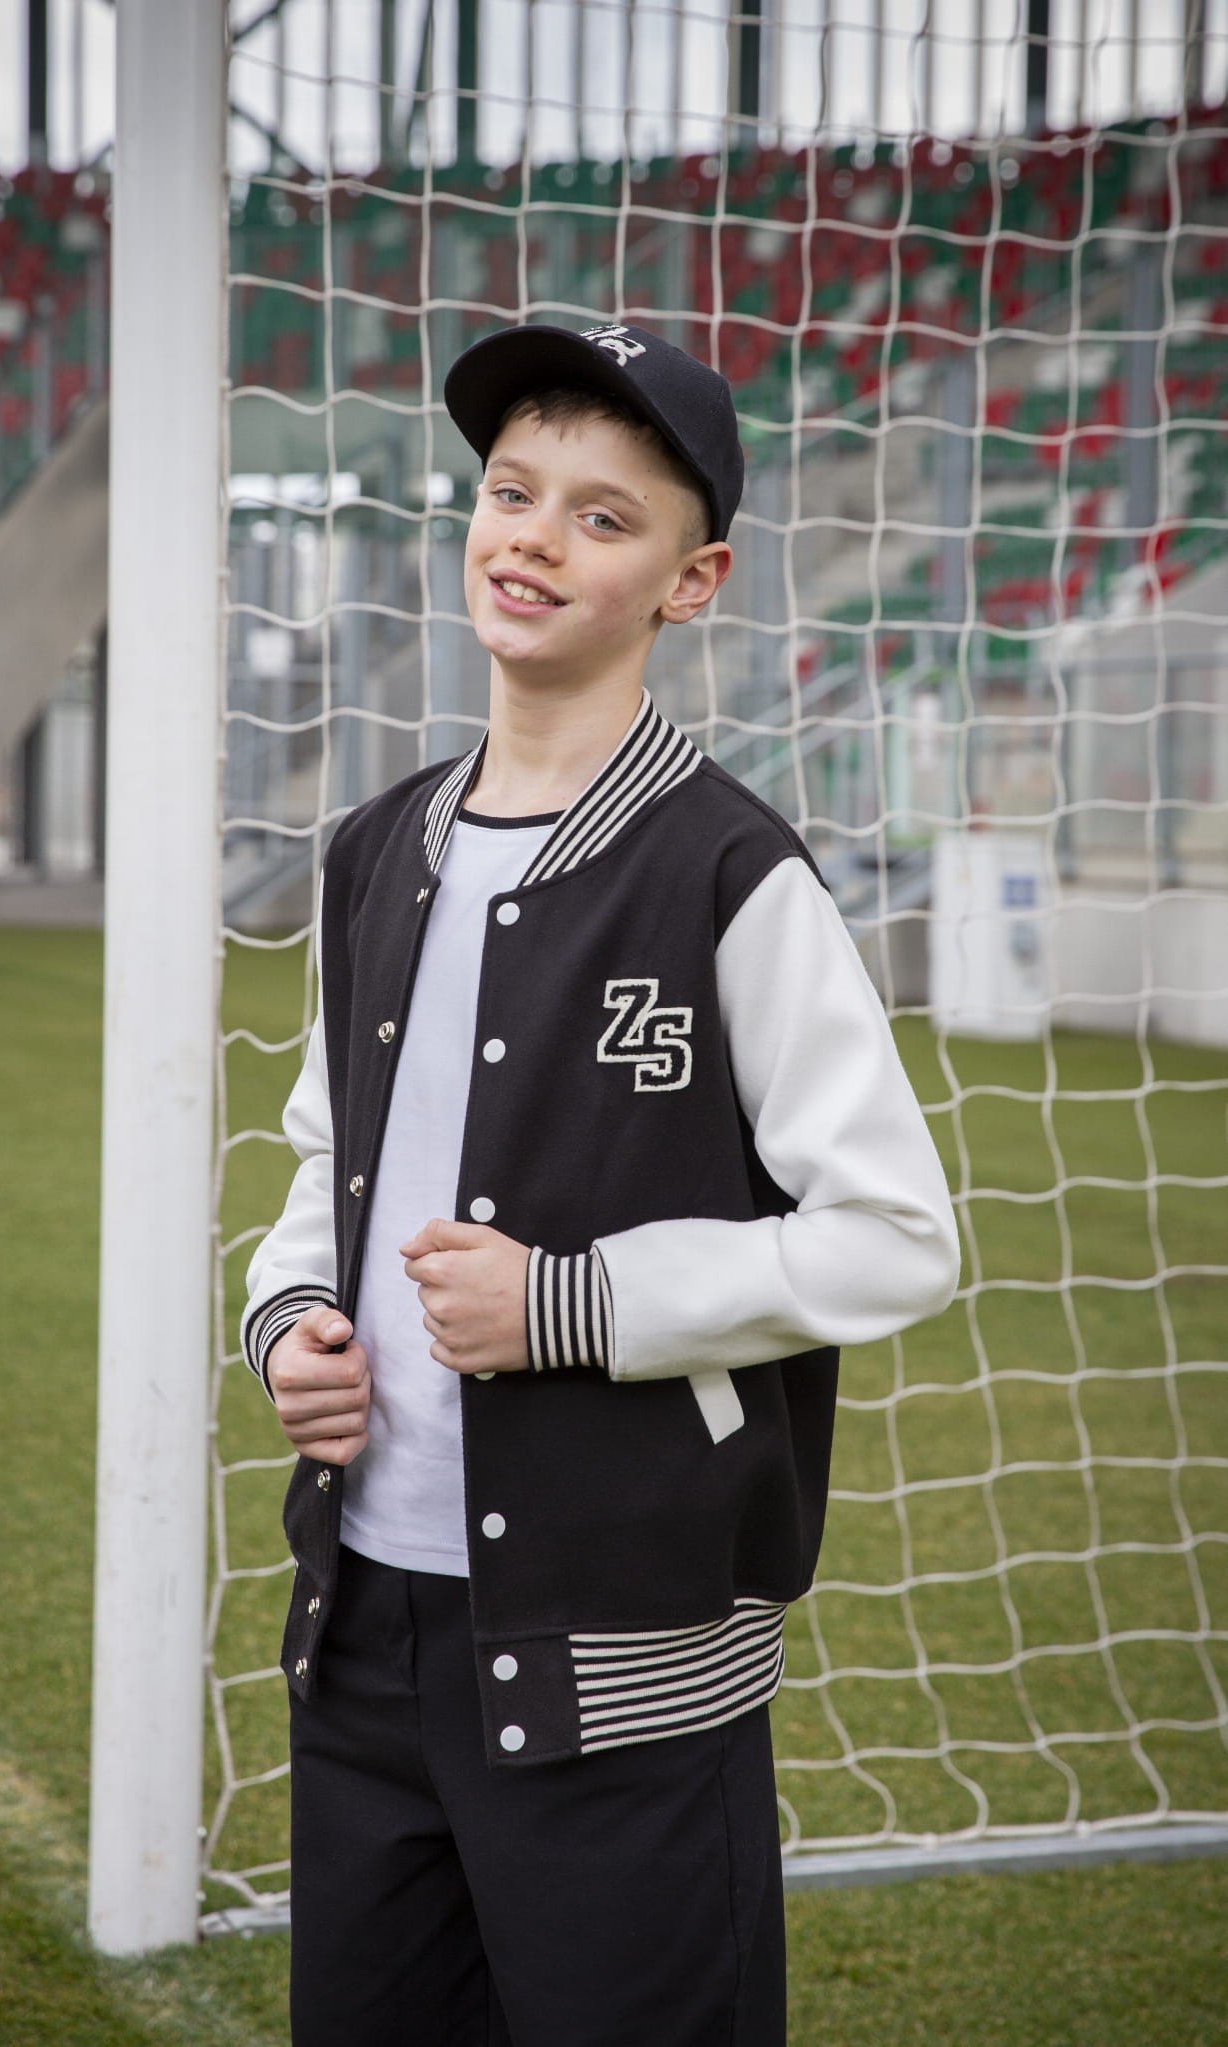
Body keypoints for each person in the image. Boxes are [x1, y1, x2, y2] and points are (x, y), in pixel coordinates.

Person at [243, 320, 960, 2047]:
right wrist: (292, 1320)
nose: (535, 539)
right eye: (511, 493)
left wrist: (569, 1305)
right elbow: (334, 1159)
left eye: (602, 517)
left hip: (623, 1661)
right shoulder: (374, 853)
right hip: (366, 1635)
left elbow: (893, 1238)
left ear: (690, 583)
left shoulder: (730, 872)